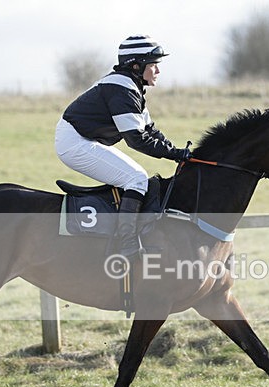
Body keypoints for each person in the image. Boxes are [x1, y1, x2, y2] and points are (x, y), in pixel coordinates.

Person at [55, 35, 189, 258]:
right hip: (74, 143)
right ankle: (127, 243)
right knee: (136, 178)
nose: (158, 71)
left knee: (135, 176)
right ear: (136, 66)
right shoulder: (122, 89)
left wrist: (178, 153)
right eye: (153, 65)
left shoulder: (131, 86)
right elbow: (136, 139)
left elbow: (150, 130)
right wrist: (173, 153)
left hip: (83, 140)